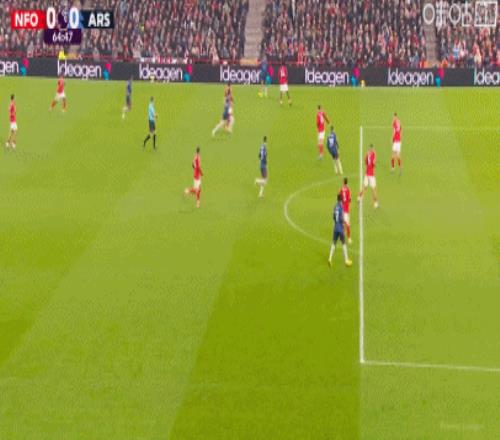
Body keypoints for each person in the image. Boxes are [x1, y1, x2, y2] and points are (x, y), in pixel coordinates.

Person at [328, 194, 353, 267]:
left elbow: (333, 217)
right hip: (340, 228)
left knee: (334, 243)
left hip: (335, 228)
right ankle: (346, 260)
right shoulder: (341, 207)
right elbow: (341, 218)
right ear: (341, 199)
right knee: (344, 243)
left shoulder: (335, 206)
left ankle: (330, 258)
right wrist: (345, 222)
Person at [357, 144, 379, 208]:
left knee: (364, 187)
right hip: (371, 175)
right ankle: (375, 203)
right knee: (374, 189)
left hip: (366, 174)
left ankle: (358, 198)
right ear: (372, 148)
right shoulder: (373, 154)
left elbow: (365, 161)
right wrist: (375, 165)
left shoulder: (367, 154)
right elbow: (374, 163)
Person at [340, 178, 352, 244]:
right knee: (347, 224)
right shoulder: (348, 190)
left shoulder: (341, 189)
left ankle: (342, 236)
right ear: (347, 183)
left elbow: (339, 198)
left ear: (343, 182)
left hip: (342, 209)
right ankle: (349, 238)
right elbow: (350, 199)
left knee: (343, 223)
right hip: (346, 210)